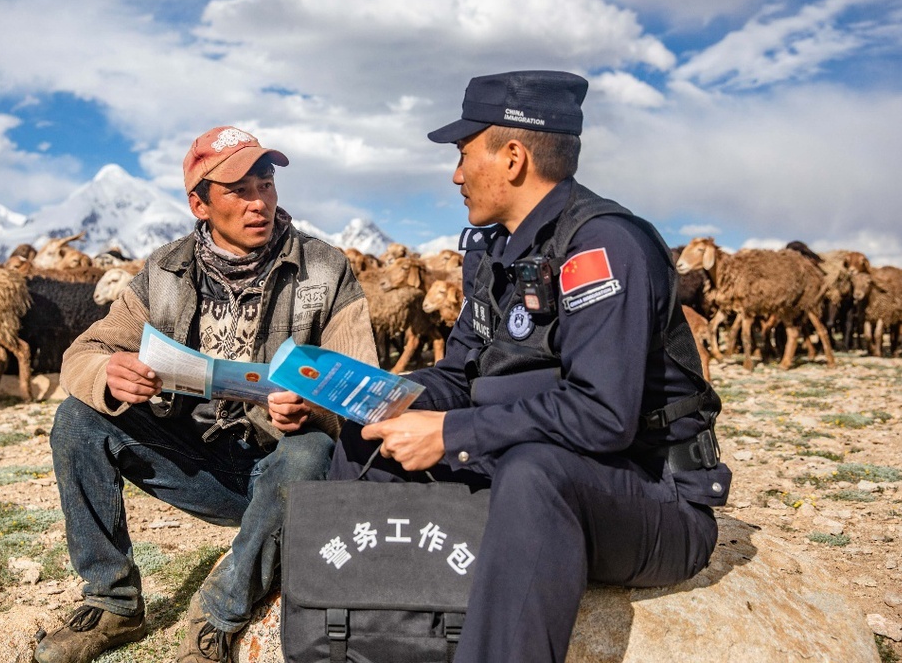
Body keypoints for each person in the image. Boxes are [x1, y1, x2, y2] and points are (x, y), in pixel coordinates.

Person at [328, 71, 731, 663]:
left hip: (649, 497)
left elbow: (603, 415)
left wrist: (450, 434)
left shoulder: (602, 248)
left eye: (465, 155)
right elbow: (458, 373)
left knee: (535, 470)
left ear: (513, 157)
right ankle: (365, 645)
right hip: (524, 470)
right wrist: (373, 395)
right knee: (367, 440)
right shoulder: (496, 253)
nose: (456, 174)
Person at [36, 125, 376, 663]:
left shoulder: (325, 269)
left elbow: (362, 385)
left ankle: (218, 615)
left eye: (265, 184)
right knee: (78, 419)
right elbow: (82, 353)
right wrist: (108, 372)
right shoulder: (165, 272)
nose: (257, 202)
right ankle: (112, 601)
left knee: (310, 449)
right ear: (200, 203)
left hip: (286, 472)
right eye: (238, 191)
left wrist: (315, 406)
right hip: (198, 462)